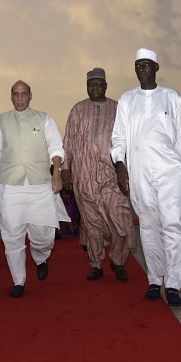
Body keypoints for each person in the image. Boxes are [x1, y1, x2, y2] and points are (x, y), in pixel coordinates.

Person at [111, 48, 181, 308]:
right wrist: (119, 165)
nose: (142, 69)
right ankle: (155, 279)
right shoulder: (127, 99)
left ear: (156, 68)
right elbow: (118, 138)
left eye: (147, 65)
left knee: (172, 223)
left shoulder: (170, 97)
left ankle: (173, 284)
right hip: (139, 174)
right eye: (138, 65)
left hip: (170, 171)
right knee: (149, 227)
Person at [0, 80, 70, 298]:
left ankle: (40, 257)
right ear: (11, 96)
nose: (20, 98)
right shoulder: (1, 121)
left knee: (44, 235)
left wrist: (57, 171)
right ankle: (19, 280)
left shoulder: (44, 119)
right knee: (12, 235)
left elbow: (56, 147)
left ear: (31, 96)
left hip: (40, 185)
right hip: (9, 186)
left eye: (24, 94)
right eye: (16, 94)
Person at [62, 68, 136, 281]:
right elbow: (68, 141)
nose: (94, 87)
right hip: (84, 176)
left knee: (120, 218)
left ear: (105, 86)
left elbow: (129, 141)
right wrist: (66, 168)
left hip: (112, 175)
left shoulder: (118, 108)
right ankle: (96, 263)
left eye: (98, 83)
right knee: (92, 222)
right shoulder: (77, 109)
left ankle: (118, 261)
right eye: (90, 84)